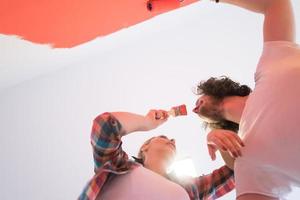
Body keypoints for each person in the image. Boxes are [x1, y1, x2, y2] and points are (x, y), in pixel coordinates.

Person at [193, 0, 300, 200]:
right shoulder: (246, 160)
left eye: (200, 98)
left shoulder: (273, 62)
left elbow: (276, 3)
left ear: (215, 89)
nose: (196, 107)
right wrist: (215, 137)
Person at [79, 109, 238, 200]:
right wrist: (146, 122)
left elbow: (239, 171)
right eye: (164, 138)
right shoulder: (118, 166)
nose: (173, 140)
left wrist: (217, 136)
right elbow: (105, 125)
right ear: (145, 147)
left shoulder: (191, 188)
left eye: (172, 140)